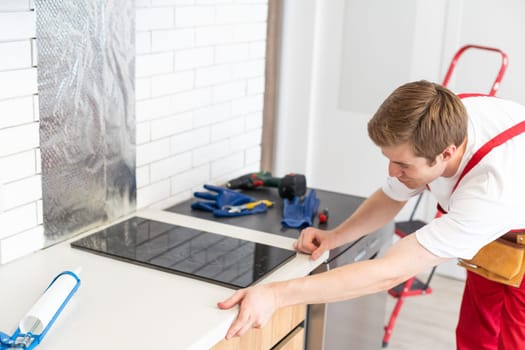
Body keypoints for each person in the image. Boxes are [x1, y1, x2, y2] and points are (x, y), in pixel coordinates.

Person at [218, 80, 525, 349]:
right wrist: (335, 237)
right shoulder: (440, 119)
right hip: (494, 228)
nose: (392, 172)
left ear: (446, 153)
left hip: (515, 226)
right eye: (390, 160)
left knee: (514, 339)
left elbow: (390, 271)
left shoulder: (489, 192)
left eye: (403, 165)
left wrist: (275, 296)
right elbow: (392, 195)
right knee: (477, 332)